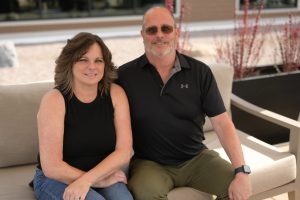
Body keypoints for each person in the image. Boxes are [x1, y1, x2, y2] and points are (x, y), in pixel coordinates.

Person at [117, 6, 252, 200]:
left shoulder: (200, 72)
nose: (159, 35)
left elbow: (222, 124)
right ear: (143, 35)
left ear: (176, 32)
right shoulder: (125, 76)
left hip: (196, 159)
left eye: (166, 29)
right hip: (150, 164)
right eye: (151, 30)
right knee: (144, 194)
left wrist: (241, 171)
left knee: (237, 189)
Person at [32, 32, 134, 200]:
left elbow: (123, 151)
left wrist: (90, 179)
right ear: (69, 63)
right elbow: (52, 167)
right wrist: (97, 182)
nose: (92, 67)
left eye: (98, 61)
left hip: (100, 173)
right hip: (55, 179)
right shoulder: (54, 100)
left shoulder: (116, 94)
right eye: (83, 60)